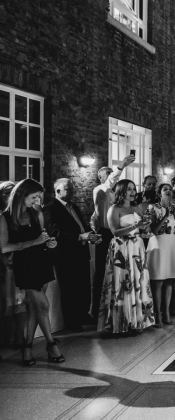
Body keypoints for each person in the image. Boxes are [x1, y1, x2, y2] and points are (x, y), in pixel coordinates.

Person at [0, 179, 62, 365]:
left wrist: (49, 242)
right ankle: (51, 344)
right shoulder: (5, 217)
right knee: (43, 305)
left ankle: (27, 348)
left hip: (42, 261)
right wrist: (32, 243)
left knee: (34, 307)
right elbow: (3, 247)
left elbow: (42, 236)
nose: (36, 200)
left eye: (38, 197)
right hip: (24, 265)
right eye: (33, 197)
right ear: (21, 194)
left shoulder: (36, 213)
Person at [98, 179, 154, 334]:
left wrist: (146, 226)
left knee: (138, 281)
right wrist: (136, 226)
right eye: (129, 189)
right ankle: (119, 322)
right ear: (121, 191)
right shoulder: (114, 209)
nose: (132, 192)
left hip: (137, 246)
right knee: (122, 283)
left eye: (134, 189)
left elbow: (144, 228)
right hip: (121, 248)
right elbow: (115, 231)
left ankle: (137, 320)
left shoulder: (137, 207)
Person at [43, 179, 97, 332]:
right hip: (66, 255)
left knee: (84, 287)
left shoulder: (74, 206)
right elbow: (55, 233)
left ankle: (82, 314)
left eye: (72, 188)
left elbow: (83, 226)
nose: (72, 192)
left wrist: (92, 234)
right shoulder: (50, 208)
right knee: (69, 289)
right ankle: (71, 322)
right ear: (58, 191)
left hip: (81, 252)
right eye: (68, 189)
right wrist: (80, 237)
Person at [90, 155, 135, 320]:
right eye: (107, 174)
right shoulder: (100, 190)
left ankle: (119, 310)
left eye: (112, 174)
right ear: (100, 178)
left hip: (121, 234)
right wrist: (122, 165)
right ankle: (98, 311)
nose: (111, 177)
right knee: (102, 272)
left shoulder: (117, 194)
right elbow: (110, 183)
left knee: (120, 272)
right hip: (106, 234)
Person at [146, 184, 175, 327]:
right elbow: (154, 230)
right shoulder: (153, 208)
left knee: (170, 280)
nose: (168, 191)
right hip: (158, 242)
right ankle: (157, 314)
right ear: (159, 193)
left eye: (170, 189)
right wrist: (165, 216)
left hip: (172, 243)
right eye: (165, 189)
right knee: (158, 281)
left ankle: (167, 312)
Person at [0, 181, 27, 352]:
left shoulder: (16, 214)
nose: (8, 196)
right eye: (5, 193)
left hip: (18, 260)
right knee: (6, 303)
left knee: (20, 300)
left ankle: (19, 336)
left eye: (11, 192)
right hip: (4, 262)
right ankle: (6, 338)